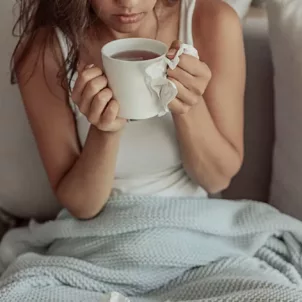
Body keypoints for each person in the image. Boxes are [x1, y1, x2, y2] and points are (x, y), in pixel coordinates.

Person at [12, 0, 245, 220]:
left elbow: (217, 180)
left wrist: (187, 104)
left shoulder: (212, 22)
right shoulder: (45, 54)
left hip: (194, 222)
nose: (128, 2)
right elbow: (81, 207)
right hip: (99, 235)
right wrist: (105, 131)